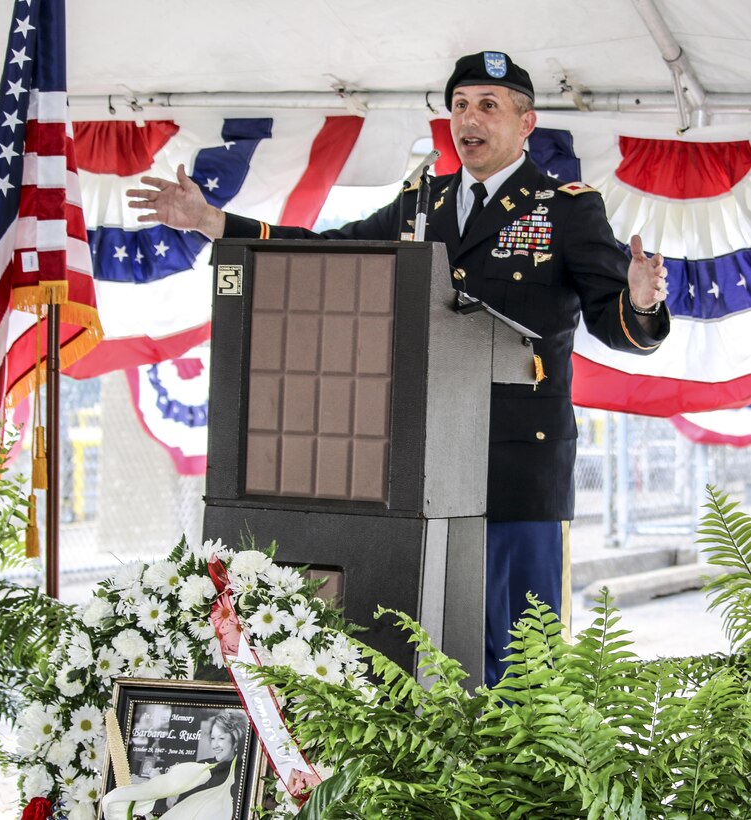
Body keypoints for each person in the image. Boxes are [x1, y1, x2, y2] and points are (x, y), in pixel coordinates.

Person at [127, 50, 670, 686]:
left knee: (525, 662)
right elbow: (334, 254)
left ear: (526, 124)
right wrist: (214, 221)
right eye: (460, 105)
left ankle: (522, 783)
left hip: (516, 466)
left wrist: (637, 299)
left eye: (488, 106)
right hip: (421, 460)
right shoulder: (423, 200)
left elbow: (617, 324)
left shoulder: (565, 208)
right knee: (429, 644)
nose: (469, 119)